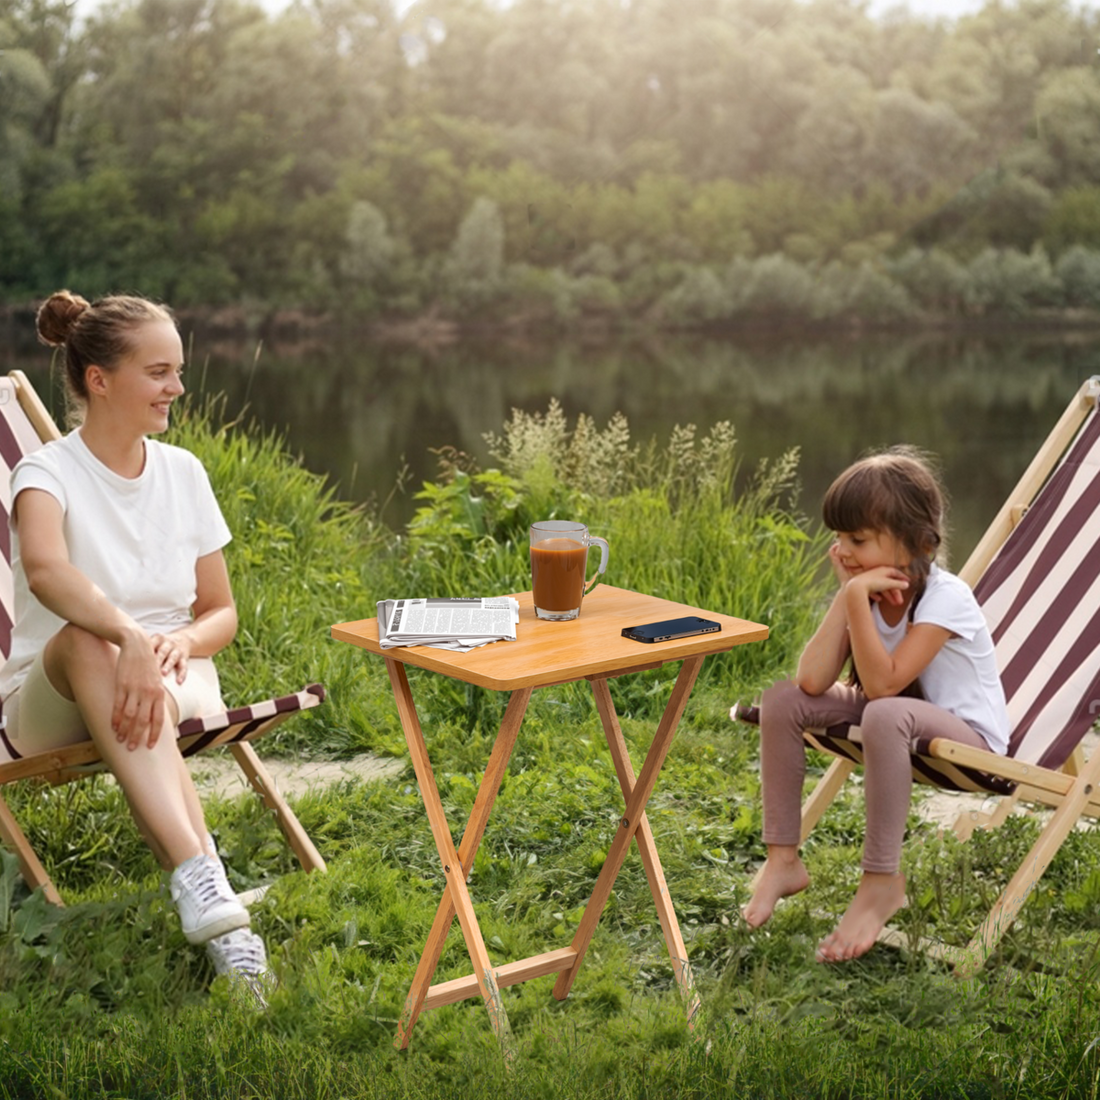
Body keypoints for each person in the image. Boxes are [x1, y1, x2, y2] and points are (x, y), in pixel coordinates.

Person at [0, 290, 270, 996]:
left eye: (177, 370)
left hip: (177, 675)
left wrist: (176, 641)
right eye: (159, 372)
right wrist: (127, 637)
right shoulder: (45, 475)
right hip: (51, 694)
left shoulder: (183, 472)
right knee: (93, 643)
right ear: (100, 379)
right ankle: (209, 886)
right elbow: (47, 570)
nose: (177, 387)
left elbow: (220, 611)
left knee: (133, 677)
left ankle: (213, 909)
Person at [740, 446, 1009, 962]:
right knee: (782, 699)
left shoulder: (945, 598)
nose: (842, 550)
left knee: (883, 711)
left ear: (915, 543)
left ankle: (882, 880)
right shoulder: (864, 591)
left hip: (970, 737)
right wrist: (849, 596)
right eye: (839, 538)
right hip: (898, 721)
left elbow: (884, 688)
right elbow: (812, 679)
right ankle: (783, 859)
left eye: (857, 540)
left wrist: (854, 597)